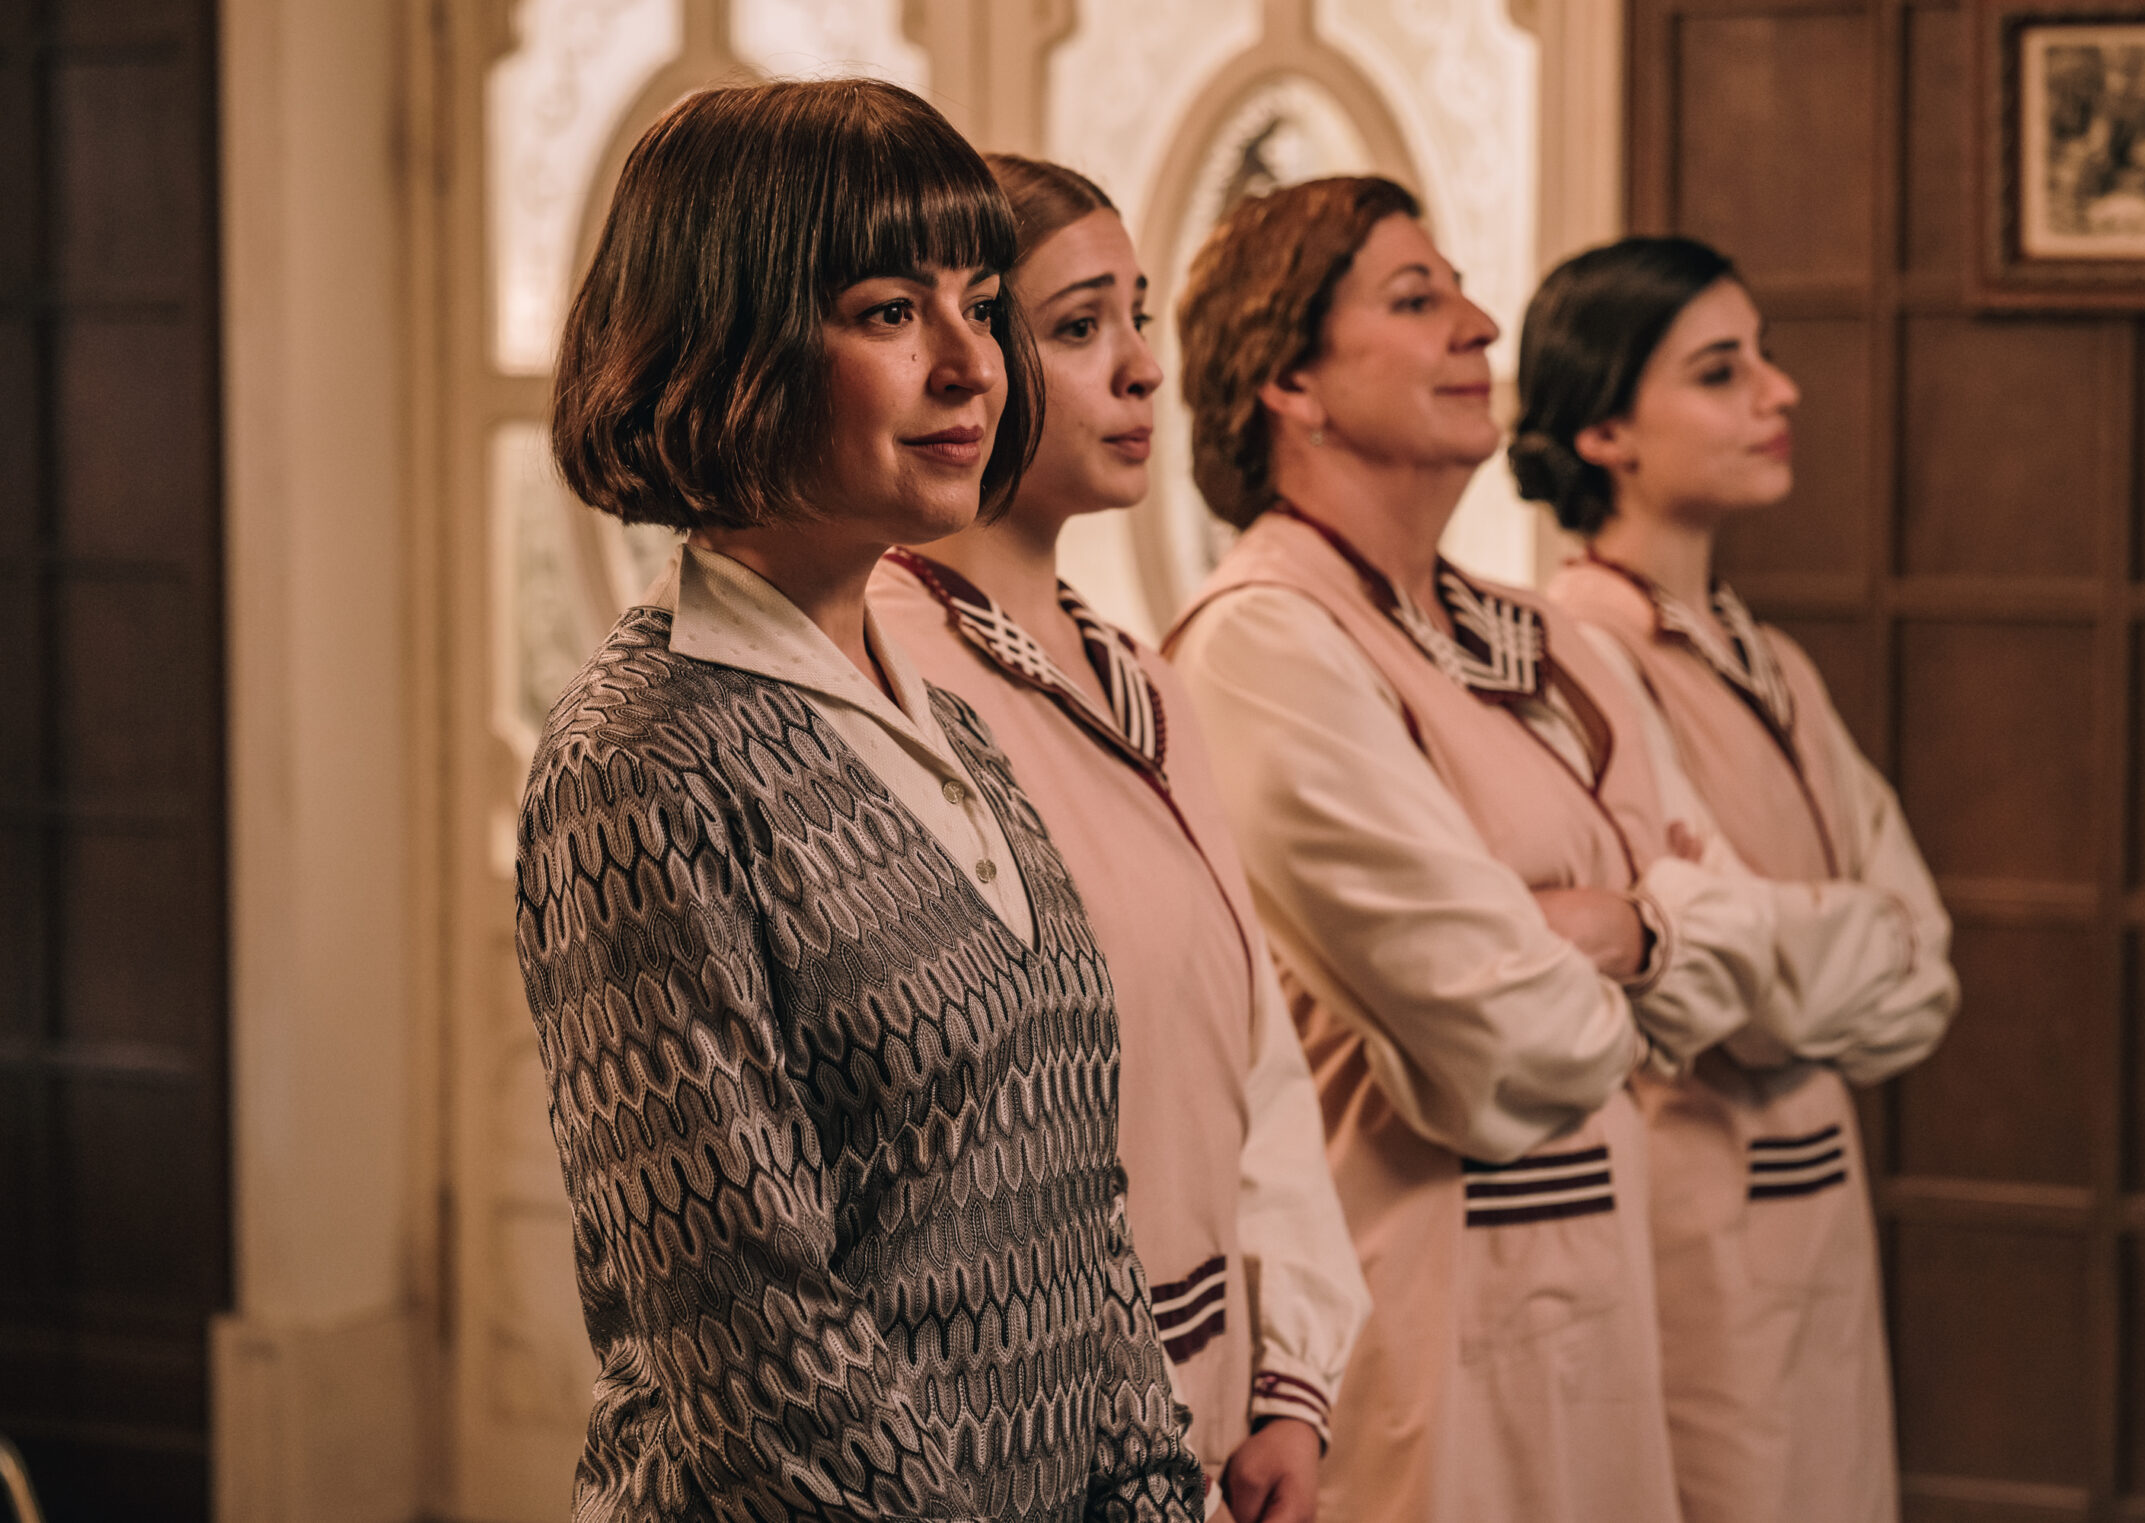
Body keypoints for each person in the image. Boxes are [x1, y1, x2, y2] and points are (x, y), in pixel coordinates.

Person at [516, 80, 1205, 1522]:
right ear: (733, 345)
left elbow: (1081, 1201)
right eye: (890, 311)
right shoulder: (640, 760)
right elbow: (758, 1349)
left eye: (983, 306)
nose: (972, 366)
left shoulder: (944, 713)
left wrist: (1152, 1491)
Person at [1162, 176, 1861, 1523]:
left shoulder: (1541, 638)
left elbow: (1725, 950)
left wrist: (1624, 929)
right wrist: (1657, 951)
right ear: (1290, 382)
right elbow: (1498, 1040)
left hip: (1610, 1296)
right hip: (1422, 1317)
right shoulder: (1263, 640)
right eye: (1415, 299)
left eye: (1461, 292)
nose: (1480, 326)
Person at [870, 155, 1370, 1523]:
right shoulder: (887, 677)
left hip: (1219, 1412)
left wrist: (1291, 1384)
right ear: (966, 361)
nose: (1145, 369)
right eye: (1081, 326)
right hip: (1028, 1439)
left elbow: (1255, 1051)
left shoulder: (1145, 678)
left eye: (1137, 318)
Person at [1516, 235, 1960, 1523]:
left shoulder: (1772, 661)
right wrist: (1842, 940)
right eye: (1721, 371)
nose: (1779, 392)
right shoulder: (1577, 655)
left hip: (1823, 1207)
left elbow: (1926, 969)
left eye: (1764, 356)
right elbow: (1711, 977)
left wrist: (1806, 945)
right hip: (1688, 1218)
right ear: (1605, 429)